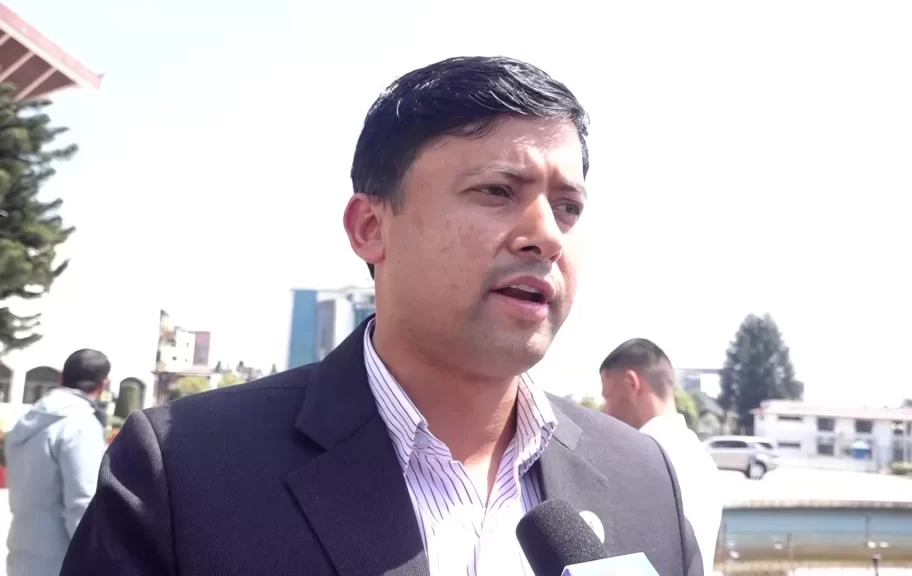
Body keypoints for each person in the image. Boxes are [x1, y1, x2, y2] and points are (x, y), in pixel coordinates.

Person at [61, 57, 702, 576]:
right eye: (497, 191)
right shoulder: (184, 472)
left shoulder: (646, 481)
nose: (546, 236)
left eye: (568, 207)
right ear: (370, 226)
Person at [600, 338, 723, 575]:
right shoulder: (702, 458)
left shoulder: (637, 460)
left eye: (608, 396)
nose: (606, 411)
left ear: (632, 382)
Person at [6, 349, 110, 576]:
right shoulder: (80, 425)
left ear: (61, 378)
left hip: (21, 558)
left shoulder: (27, 422)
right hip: (60, 564)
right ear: (104, 384)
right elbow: (83, 505)